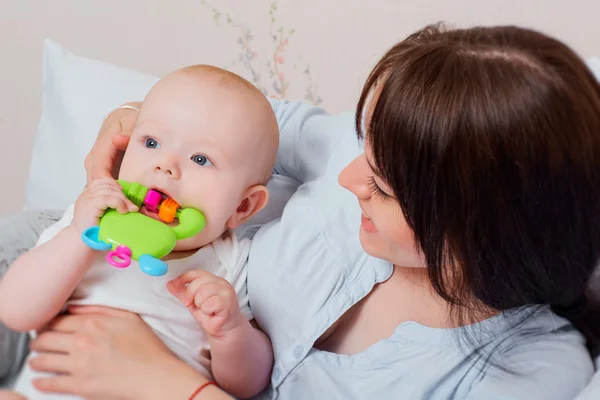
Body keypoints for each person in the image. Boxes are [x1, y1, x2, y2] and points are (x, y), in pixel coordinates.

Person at [2, 23, 600, 400]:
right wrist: (138, 128)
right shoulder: (348, 153)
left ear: (477, 235)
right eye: (366, 143)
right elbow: (246, 121)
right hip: (65, 279)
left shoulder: (526, 370)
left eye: (385, 187)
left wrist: (174, 388)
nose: (347, 177)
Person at [0, 65, 279, 399]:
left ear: (242, 207)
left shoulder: (229, 265)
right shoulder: (91, 218)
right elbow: (15, 311)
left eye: (201, 159)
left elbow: (247, 385)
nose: (165, 165)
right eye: (150, 142)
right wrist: (78, 236)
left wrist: (231, 331)